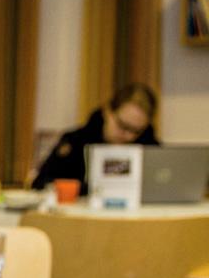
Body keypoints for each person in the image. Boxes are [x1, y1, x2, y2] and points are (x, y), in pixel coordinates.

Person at [31, 82, 160, 194]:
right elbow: (41, 183)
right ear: (108, 112)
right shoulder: (76, 142)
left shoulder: (150, 149)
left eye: (136, 131)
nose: (128, 136)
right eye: (122, 125)